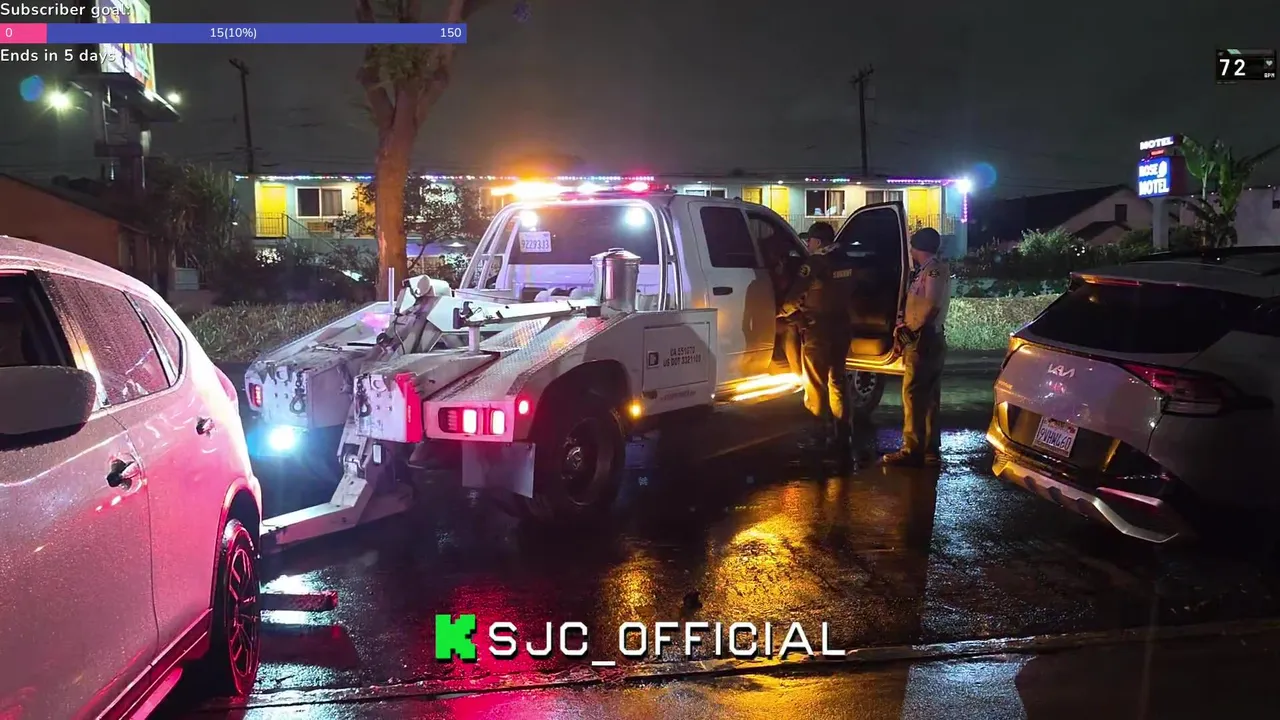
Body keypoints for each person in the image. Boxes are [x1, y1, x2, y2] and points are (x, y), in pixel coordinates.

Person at [778, 221, 854, 455]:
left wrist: (779, 312)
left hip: (818, 329)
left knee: (815, 382)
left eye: (809, 240)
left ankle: (819, 434)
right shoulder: (845, 261)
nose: (807, 245)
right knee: (837, 380)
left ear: (818, 242)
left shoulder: (815, 263)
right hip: (842, 327)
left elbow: (796, 296)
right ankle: (843, 434)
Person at [882, 227, 951, 467]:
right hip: (927, 337)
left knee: (914, 393)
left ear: (917, 248)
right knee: (929, 395)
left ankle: (912, 449)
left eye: (911, 247)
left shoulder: (933, 271)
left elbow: (931, 306)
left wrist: (911, 333)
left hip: (924, 338)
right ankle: (929, 448)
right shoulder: (925, 270)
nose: (910, 251)